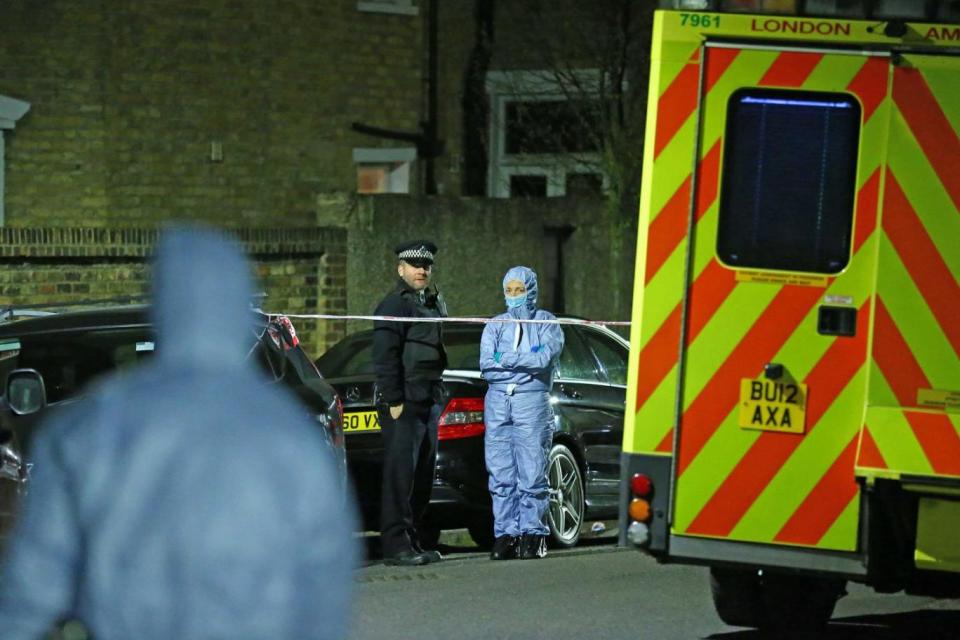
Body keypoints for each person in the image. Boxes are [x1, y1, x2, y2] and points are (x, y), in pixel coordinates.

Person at [0, 226, 357, 640]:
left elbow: (40, 571)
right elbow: (325, 571)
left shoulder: (89, 426)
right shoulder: (288, 432)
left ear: (163, 303)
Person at [480, 266, 564, 560]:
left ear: (531, 290)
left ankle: (534, 533)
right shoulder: (495, 325)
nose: (514, 296)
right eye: (509, 291)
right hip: (498, 402)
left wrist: (506, 359)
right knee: (500, 470)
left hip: (532, 402)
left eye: (520, 290)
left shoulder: (547, 323)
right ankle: (506, 533)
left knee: (532, 468)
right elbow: (487, 366)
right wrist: (522, 365)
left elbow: (543, 360)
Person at [372, 240, 448, 566]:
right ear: (400, 268)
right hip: (404, 401)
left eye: (426, 266)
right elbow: (385, 356)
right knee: (400, 476)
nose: (421, 270)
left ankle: (413, 540)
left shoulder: (431, 302)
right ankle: (395, 545)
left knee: (421, 476)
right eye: (415, 265)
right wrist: (393, 399)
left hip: (427, 398)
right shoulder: (394, 304)